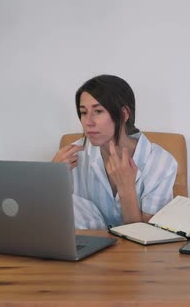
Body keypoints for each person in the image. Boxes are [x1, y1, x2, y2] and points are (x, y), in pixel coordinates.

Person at [52, 74, 178, 229]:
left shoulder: (161, 163)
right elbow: (55, 217)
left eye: (98, 111)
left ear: (123, 114)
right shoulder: (72, 156)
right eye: (83, 112)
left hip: (136, 250)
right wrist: (51, 179)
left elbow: (149, 236)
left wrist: (126, 189)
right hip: (87, 249)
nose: (88, 122)